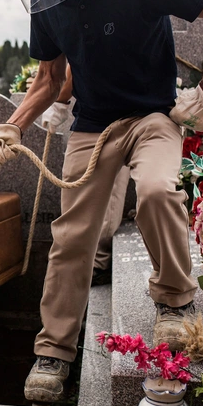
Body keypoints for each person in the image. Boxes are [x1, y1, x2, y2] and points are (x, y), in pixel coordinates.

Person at [0, 0, 203, 403]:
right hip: (91, 125)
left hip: (154, 116)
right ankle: (54, 351)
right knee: (73, 235)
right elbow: (49, 77)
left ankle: (174, 302)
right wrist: (11, 126)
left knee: (154, 190)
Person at [42, 64, 131, 286]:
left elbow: (76, 65)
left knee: (110, 193)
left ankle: (98, 263)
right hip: (108, 112)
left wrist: (60, 102)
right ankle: (93, 261)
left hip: (117, 115)